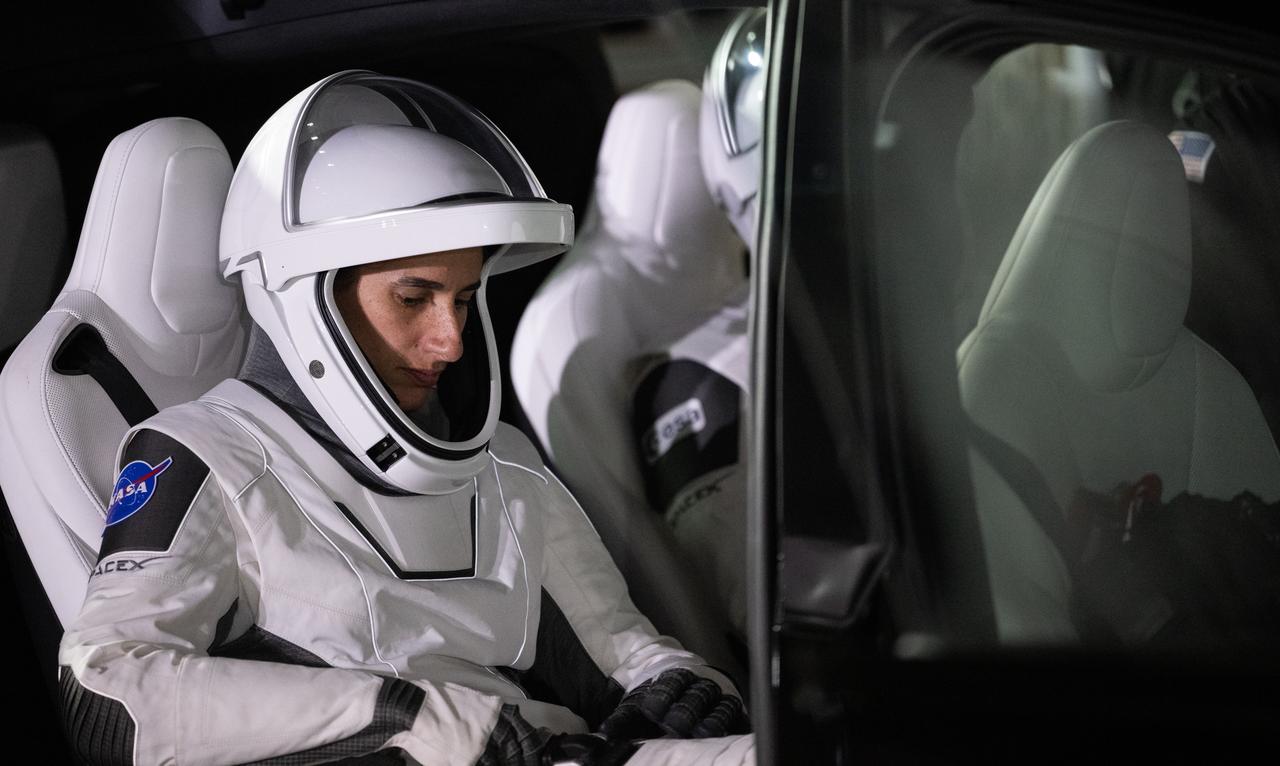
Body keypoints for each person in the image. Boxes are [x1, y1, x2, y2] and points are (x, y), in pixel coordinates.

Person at [57, 71, 752, 765]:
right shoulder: (206, 454)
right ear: (306, 298)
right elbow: (109, 694)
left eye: (464, 297)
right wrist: (406, 714)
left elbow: (623, 651)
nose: (450, 341)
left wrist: (684, 687)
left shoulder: (505, 463)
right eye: (414, 297)